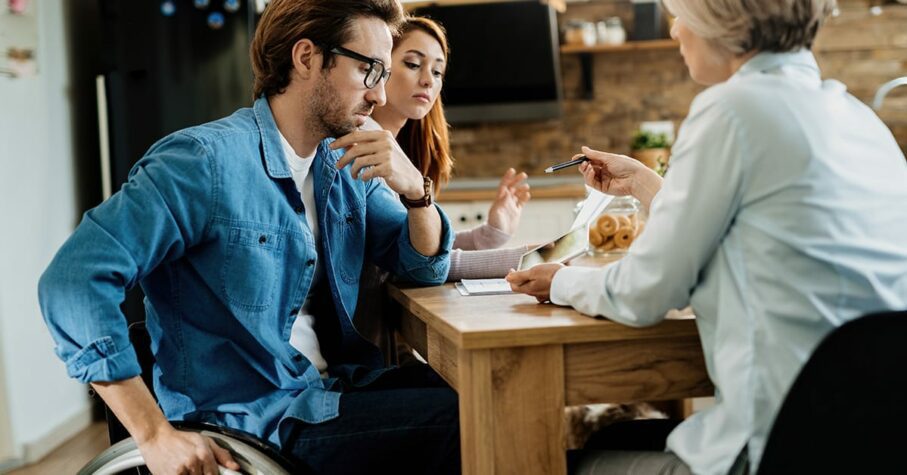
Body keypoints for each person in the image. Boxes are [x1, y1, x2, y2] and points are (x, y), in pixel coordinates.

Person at [38, 1, 462, 474]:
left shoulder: (341, 165)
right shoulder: (204, 162)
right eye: (369, 70)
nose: (381, 96)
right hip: (254, 427)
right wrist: (154, 434)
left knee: (480, 396)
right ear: (306, 58)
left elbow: (426, 266)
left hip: (329, 393)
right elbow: (73, 280)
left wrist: (416, 192)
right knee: (467, 425)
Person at [506, 0, 907, 473]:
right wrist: (645, 185)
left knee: (547, 459)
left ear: (723, 20)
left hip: (778, 447)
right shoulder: (858, 117)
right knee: (619, 433)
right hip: (871, 443)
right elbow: (745, 232)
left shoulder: (732, 110)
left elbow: (646, 291)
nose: (676, 31)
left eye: (683, 14)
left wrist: (558, 282)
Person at [365, 16, 533, 280]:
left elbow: (425, 248)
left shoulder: (396, 152)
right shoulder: (365, 148)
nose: (428, 81)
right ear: (380, 66)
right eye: (412, 64)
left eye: (437, 72)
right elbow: (420, 264)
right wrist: (528, 259)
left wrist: (490, 234)